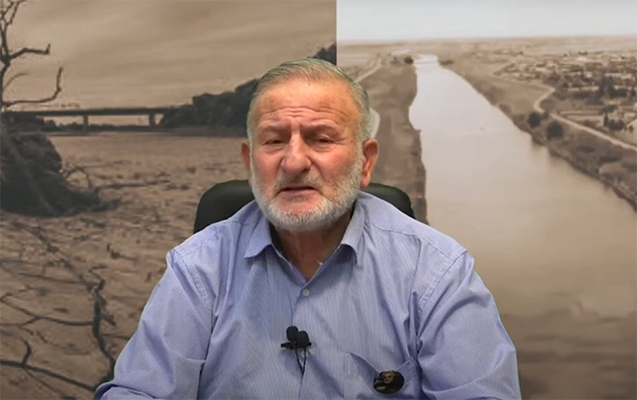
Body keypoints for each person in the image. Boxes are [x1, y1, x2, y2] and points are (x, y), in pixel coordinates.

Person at [94, 58, 522, 400]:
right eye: (274, 140)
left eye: (321, 138)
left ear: (366, 162)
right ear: (249, 163)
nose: (294, 161)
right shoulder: (198, 268)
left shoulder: (437, 273)